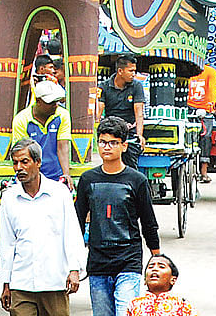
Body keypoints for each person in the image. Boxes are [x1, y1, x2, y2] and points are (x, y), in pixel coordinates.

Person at [75, 117, 160, 316]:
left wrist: (156, 255)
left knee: (126, 312)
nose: (107, 147)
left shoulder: (136, 180)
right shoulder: (88, 180)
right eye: (103, 142)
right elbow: (77, 220)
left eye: (113, 142)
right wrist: (74, 259)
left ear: (124, 146)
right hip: (98, 263)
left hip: (128, 260)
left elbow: (148, 221)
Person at [0, 139, 84, 316]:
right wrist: (6, 283)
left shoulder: (59, 193)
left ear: (38, 162)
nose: (19, 168)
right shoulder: (9, 197)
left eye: (24, 161)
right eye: (15, 163)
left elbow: (72, 234)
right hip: (21, 285)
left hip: (54, 282)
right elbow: (7, 243)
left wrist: (74, 270)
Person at [11, 81, 73, 188]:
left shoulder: (63, 115)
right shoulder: (21, 119)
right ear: (38, 101)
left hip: (56, 176)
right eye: (51, 103)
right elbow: (22, 153)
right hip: (31, 177)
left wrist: (66, 174)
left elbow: (62, 147)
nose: (55, 105)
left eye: (57, 102)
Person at [97, 55, 145, 170]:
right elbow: (98, 111)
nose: (134, 74)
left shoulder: (137, 86)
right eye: (131, 71)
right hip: (111, 129)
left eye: (135, 71)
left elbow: (139, 113)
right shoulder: (103, 86)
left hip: (129, 131)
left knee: (131, 163)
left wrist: (140, 135)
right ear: (120, 71)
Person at [125, 255, 197, 316]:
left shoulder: (182, 305)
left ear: (173, 279)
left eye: (161, 267)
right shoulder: (134, 304)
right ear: (145, 280)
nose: (155, 269)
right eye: (151, 267)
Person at [187, 62, 216, 180]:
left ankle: (204, 170)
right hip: (188, 107)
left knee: (206, 137)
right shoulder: (187, 69)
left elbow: (212, 91)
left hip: (205, 109)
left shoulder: (209, 71)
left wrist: (214, 109)